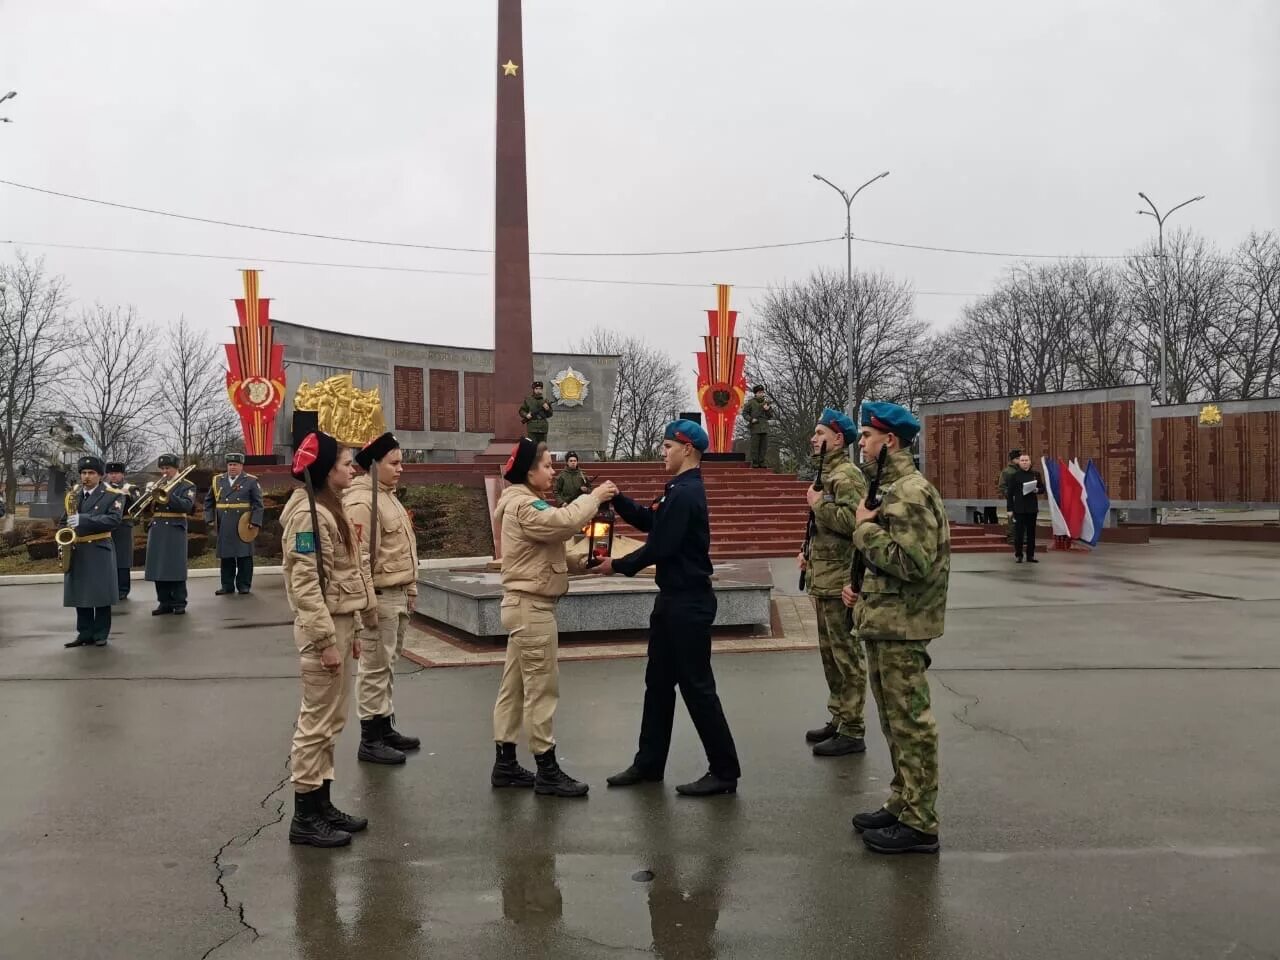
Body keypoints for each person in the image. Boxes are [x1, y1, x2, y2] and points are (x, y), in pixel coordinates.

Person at [594, 419, 742, 797]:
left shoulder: (688, 493)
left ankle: (724, 771)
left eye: (667, 447)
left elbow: (662, 547)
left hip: (688, 603)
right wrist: (618, 500)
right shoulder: (678, 489)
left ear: (687, 449)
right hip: (672, 601)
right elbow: (653, 521)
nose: (663, 452)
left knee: (697, 687)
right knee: (658, 684)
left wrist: (620, 566)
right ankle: (649, 763)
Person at [842, 401, 950, 855]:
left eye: (867, 436)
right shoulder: (887, 488)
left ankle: (922, 822)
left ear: (890, 441)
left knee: (910, 723)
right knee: (892, 722)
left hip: (903, 626)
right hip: (886, 622)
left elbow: (913, 562)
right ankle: (903, 801)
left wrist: (864, 531)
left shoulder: (908, 491)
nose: (861, 442)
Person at [489, 437, 617, 797]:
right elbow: (562, 524)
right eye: (547, 465)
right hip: (532, 610)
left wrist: (580, 564)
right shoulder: (524, 506)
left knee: (513, 689)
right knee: (541, 691)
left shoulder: (524, 504)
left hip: (524, 607)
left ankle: (505, 763)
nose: (553, 471)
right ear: (529, 471)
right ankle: (546, 768)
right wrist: (593, 498)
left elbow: (541, 557)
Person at [281, 431, 378, 848]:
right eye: (345, 463)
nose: (353, 469)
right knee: (315, 724)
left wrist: (352, 632)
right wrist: (325, 641)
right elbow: (305, 584)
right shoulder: (308, 515)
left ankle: (322, 803)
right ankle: (305, 815)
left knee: (331, 722)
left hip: (338, 624)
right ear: (324, 470)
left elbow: (341, 577)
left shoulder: (328, 507)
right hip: (321, 631)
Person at [797, 408, 869, 757]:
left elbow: (856, 522)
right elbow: (821, 525)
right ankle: (840, 717)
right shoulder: (826, 472)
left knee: (846, 655)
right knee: (830, 655)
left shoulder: (846, 475)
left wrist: (819, 504)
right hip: (823, 575)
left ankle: (853, 729)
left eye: (821, 433)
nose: (814, 438)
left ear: (838, 439)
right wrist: (806, 550)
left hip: (841, 578)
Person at [346, 431, 421, 765]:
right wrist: (368, 603)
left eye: (401, 462)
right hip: (379, 595)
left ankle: (384, 724)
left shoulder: (389, 496)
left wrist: (412, 589)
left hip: (398, 593)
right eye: (394, 463)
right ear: (373, 466)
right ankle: (370, 738)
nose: (400, 469)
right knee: (374, 667)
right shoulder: (362, 501)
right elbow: (359, 558)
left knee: (387, 665)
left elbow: (404, 548)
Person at [59, 455, 124, 648]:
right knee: (81, 592)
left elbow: (114, 520)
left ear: (100, 475)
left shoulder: (113, 494)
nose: (86, 477)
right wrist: (62, 535)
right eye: (83, 473)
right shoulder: (74, 494)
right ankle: (84, 632)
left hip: (99, 547)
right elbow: (64, 520)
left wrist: (84, 519)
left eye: (91, 473)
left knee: (100, 592)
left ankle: (101, 633)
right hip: (77, 548)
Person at [203, 452, 265, 596]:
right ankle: (227, 585)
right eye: (230, 464)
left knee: (244, 556)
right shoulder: (217, 480)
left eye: (235, 465)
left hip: (243, 523)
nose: (232, 467)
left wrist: (255, 522)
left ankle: (244, 585)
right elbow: (209, 501)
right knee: (227, 557)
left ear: (241, 466)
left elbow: (258, 504)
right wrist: (210, 518)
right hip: (224, 523)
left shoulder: (250, 481)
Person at [143, 454, 196, 615]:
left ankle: (179, 602)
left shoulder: (187, 485)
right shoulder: (157, 485)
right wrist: (147, 495)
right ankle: (164, 602)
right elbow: (145, 511)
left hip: (175, 527)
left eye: (168, 469)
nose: (165, 472)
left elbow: (187, 506)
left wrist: (167, 496)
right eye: (163, 469)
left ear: (176, 468)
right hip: (157, 527)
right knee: (159, 567)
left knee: (175, 566)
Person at [104, 461, 140, 601]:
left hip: (123, 525)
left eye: (116, 473)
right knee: (106, 557)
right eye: (111, 473)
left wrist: (128, 495)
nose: (113, 476)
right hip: (106, 524)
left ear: (122, 474)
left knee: (123, 558)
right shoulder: (103, 488)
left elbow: (138, 504)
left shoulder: (130, 488)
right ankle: (108, 587)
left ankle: (123, 589)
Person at [1008, 452, 1042, 563]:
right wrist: (1010, 509)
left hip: (1032, 508)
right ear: (1019, 463)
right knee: (1019, 533)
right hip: (1019, 508)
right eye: (1022, 460)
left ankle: (1030, 555)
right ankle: (1019, 555)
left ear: (1030, 462)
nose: (1024, 462)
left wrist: (1037, 490)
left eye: (1026, 460)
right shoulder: (1015, 476)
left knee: (1031, 533)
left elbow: (1042, 488)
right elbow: (1010, 494)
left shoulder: (1035, 474)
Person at [741, 385, 775, 468]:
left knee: (764, 447)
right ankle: (755, 463)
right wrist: (751, 419)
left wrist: (767, 410)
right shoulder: (751, 403)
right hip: (755, 427)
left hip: (764, 428)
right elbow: (744, 413)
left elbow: (770, 416)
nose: (761, 394)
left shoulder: (766, 403)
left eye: (762, 392)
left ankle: (762, 462)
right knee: (755, 447)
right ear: (755, 393)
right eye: (759, 392)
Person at [998, 449, 1020, 544]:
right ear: (1012, 460)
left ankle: (1023, 537)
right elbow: (1002, 486)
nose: (1020, 460)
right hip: (1013, 500)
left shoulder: (1023, 470)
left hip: (1023, 499)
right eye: (1017, 458)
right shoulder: (1007, 471)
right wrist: (1010, 495)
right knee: (1012, 519)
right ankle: (1011, 537)